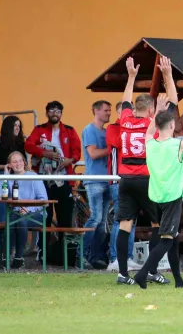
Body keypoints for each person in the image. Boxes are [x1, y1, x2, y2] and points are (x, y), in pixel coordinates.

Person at [133, 96, 183, 289]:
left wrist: (159, 109)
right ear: (171, 126)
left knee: (173, 237)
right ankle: (143, 273)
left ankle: (178, 280)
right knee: (166, 240)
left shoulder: (149, 143)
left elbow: (149, 131)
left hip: (155, 196)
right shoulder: (178, 144)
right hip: (172, 197)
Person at [114, 56, 174, 285]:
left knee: (125, 225)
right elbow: (155, 127)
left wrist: (131, 77)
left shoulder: (125, 119)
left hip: (126, 179)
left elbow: (125, 100)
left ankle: (122, 273)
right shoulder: (153, 124)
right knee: (157, 224)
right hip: (145, 179)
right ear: (151, 111)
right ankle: (151, 271)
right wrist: (160, 110)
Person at [25, 101, 81, 263]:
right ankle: (42, 253)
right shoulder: (39, 129)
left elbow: (77, 152)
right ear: (47, 113)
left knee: (65, 217)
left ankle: (66, 256)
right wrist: (44, 153)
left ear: (61, 113)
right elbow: (28, 145)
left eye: (58, 110)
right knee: (45, 217)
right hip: (44, 180)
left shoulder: (69, 130)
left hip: (64, 179)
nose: (55, 113)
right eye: (51, 110)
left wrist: (69, 160)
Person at [0, 151, 47, 269]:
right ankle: (5, 261)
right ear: (9, 165)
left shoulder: (32, 176)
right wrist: (6, 175)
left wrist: (29, 209)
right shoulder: (10, 178)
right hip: (16, 214)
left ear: (24, 162)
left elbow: (44, 200)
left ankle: (18, 258)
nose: (18, 163)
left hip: (37, 213)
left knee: (20, 220)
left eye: (20, 160)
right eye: (14, 161)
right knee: (11, 220)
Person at [106, 102, 139, 272]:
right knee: (120, 221)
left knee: (131, 222)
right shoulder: (112, 128)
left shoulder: (137, 127)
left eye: (131, 111)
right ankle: (114, 258)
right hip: (118, 180)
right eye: (123, 112)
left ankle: (128, 257)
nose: (128, 115)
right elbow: (120, 143)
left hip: (132, 179)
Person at [80, 100, 112, 269]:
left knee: (102, 222)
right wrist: (112, 149)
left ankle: (95, 256)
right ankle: (81, 255)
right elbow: (92, 153)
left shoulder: (106, 132)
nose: (109, 113)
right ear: (96, 111)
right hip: (94, 180)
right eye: (106, 110)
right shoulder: (89, 130)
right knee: (95, 218)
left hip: (106, 179)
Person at [0, 116, 26, 262]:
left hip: (18, 179)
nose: (17, 128)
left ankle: (11, 249)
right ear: (8, 127)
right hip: (1, 178)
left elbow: (24, 162)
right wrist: (6, 167)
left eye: (19, 126)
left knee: (15, 214)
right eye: (14, 126)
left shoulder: (20, 144)